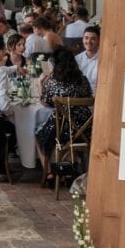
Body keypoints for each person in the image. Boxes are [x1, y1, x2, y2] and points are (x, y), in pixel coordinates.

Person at [35, 46, 93, 179]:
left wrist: (40, 83)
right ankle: (70, 170)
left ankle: (49, 173)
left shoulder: (53, 81)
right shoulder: (82, 79)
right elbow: (89, 95)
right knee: (71, 139)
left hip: (62, 129)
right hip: (85, 129)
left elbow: (45, 102)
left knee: (38, 133)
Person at [75, 25, 100, 94]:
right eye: (86, 38)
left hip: (97, 95)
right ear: (83, 40)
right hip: (79, 95)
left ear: (98, 41)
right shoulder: (77, 59)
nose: (88, 41)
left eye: (93, 39)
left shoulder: (103, 59)